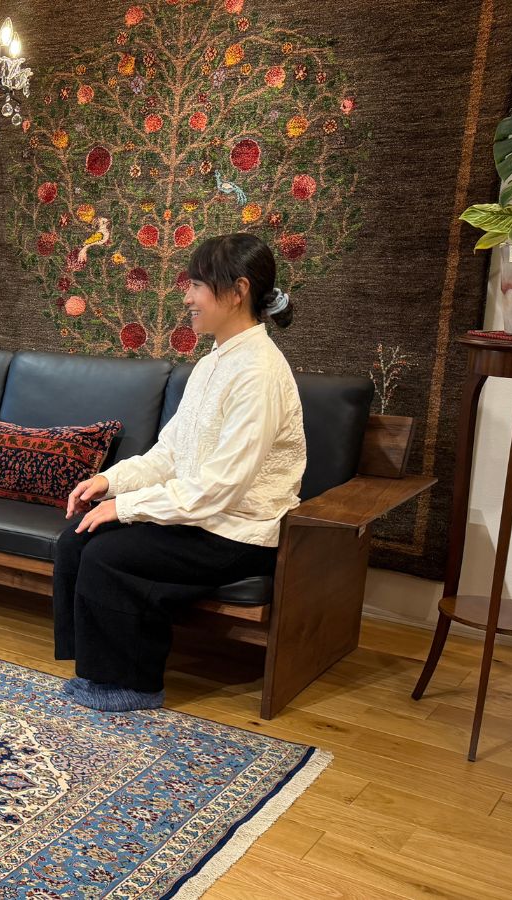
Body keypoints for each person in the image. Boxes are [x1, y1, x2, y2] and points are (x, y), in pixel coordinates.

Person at [54, 232, 306, 712]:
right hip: (201, 515)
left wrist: (125, 509)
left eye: (196, 286)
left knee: (108, 554)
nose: (187, 297)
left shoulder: (259, 373)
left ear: (238, 290)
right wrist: (110, 482)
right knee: (77, 539)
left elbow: (221, 487)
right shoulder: (213, 363)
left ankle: (136, 684)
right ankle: (96, 671)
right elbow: (170, 453)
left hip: (236, 531)